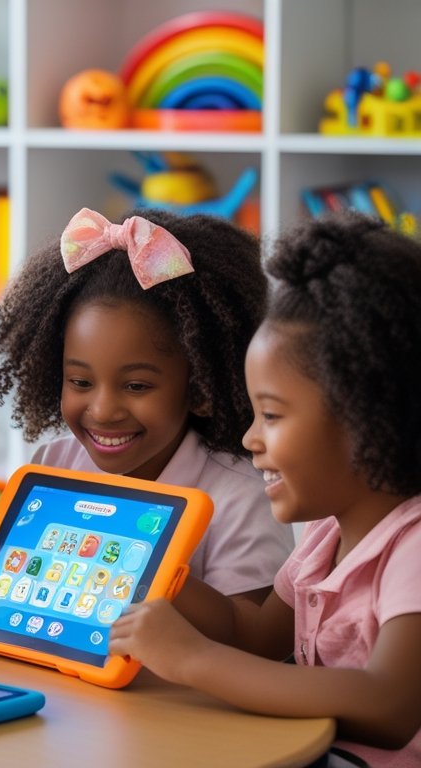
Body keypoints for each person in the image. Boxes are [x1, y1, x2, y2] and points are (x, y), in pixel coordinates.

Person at [110, 213, 421, 768]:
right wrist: (152, 568)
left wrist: (194, 661)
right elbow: (252, 633)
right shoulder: (325, 539)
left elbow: (391, 705)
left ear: (368, 419)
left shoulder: (412, 547)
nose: (250, 438)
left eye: (272, 415)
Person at [0, 207, 293, 604]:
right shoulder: (51, 467)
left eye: (136, 385)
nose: (104, 410)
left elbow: (249, 645)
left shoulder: (241, 498)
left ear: (199, 387)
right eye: (80, 382)